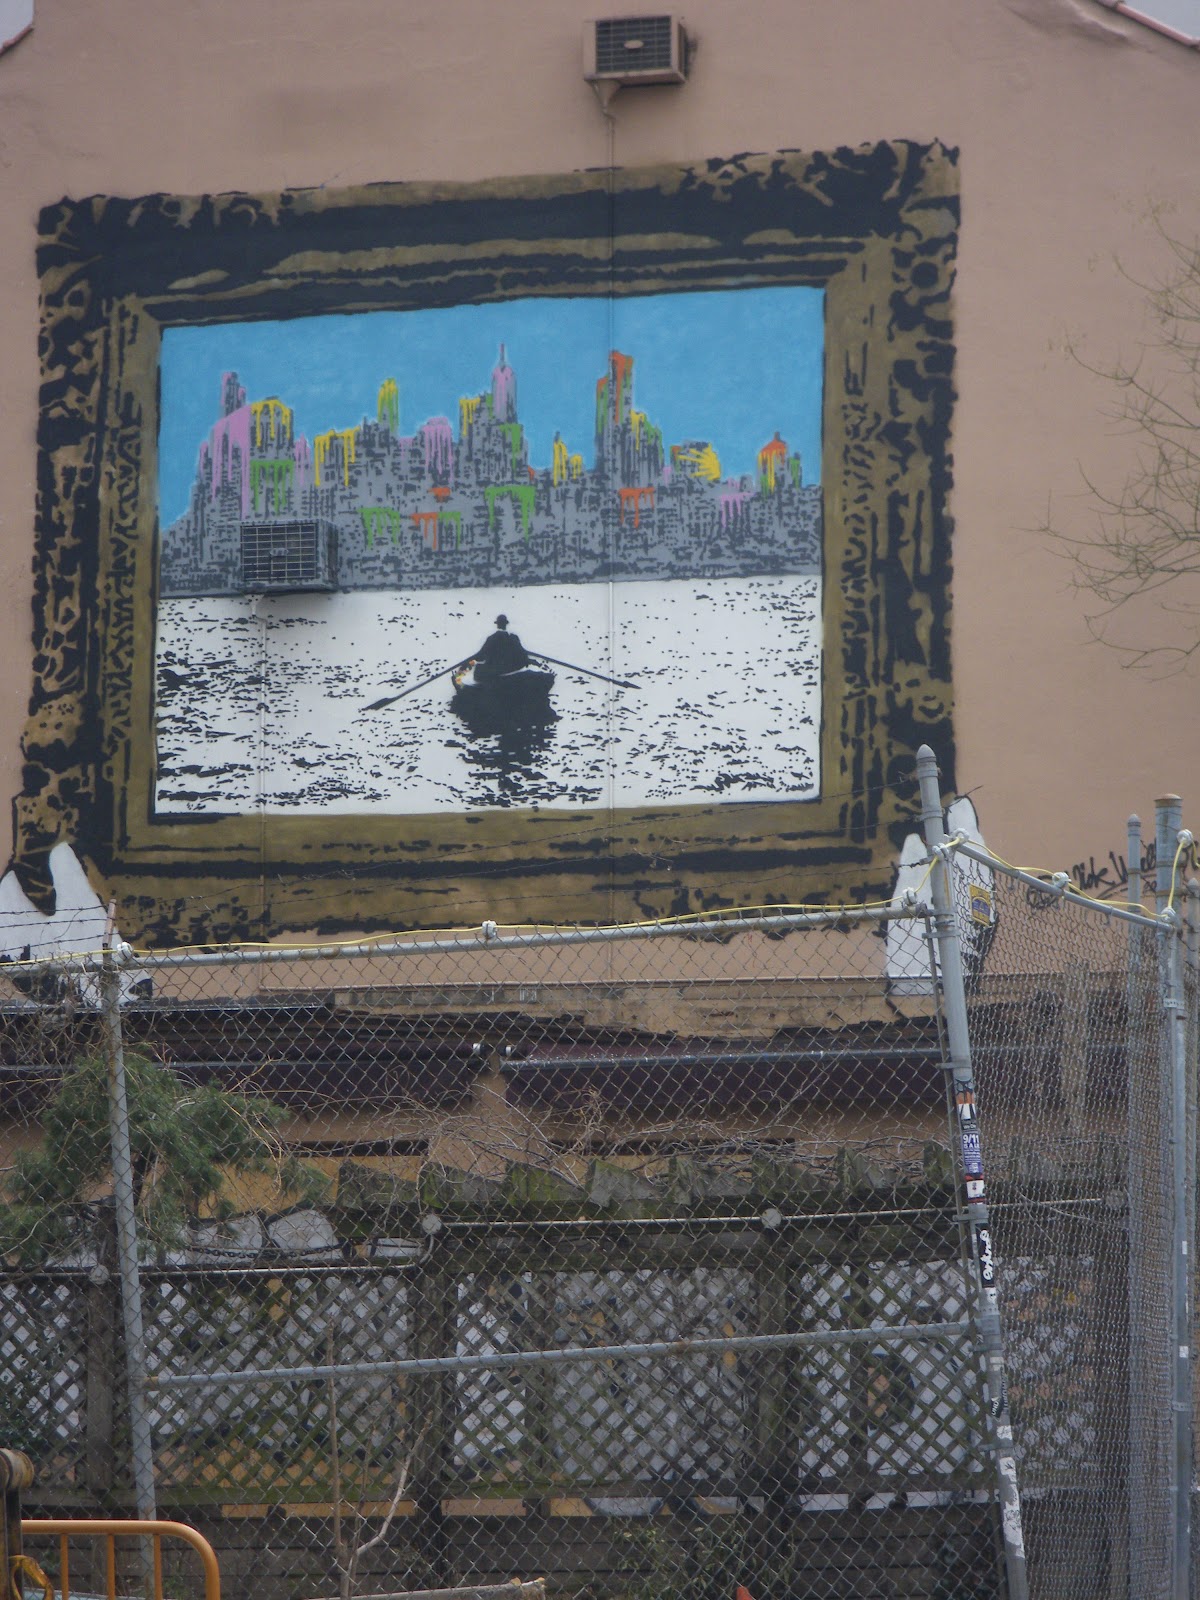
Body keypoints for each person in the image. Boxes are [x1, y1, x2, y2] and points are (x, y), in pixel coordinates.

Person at [472, 614, 530, 683]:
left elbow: (480, 656)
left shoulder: (492, 638)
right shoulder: (513, 638)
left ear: (497, 625)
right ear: (506, 624)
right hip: (509, 668)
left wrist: (473, 659)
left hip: (495, 670)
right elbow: (522, 653)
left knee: (478, 670)